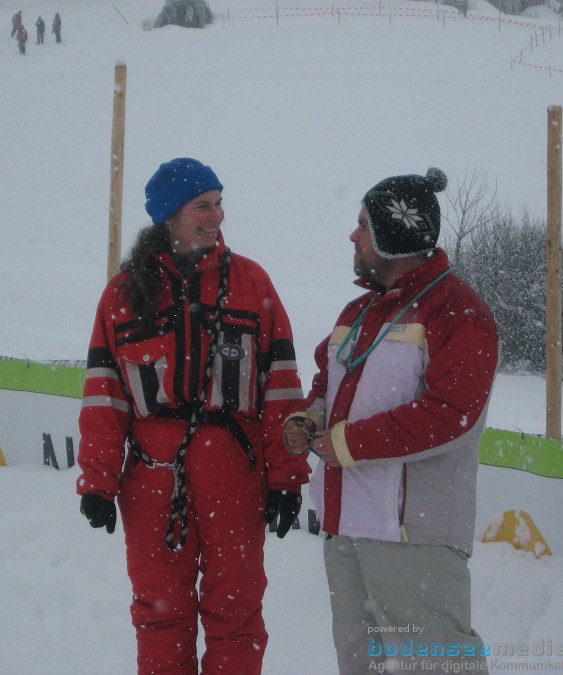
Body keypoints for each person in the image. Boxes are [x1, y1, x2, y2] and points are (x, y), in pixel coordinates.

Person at [77, 158, 310, 674]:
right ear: (169, 217)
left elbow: (281, 392)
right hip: (152, 477)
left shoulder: (252, 282)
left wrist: (287, 479)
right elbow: (104, 397)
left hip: (235, 471)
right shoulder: (121, 295)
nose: (216, 216)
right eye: (202, 206)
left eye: (219, 203)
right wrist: (98, 481)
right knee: (160, 616)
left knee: (237, 615)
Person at [282, 168, 499, 674]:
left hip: (412, 533)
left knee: (437, 663)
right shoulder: (358, 312)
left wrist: (350, 443)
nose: (353, 236)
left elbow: (453, 415)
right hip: (346, 524)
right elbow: (328, 387)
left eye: (363, 224)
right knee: (362, 663)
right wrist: (308, 418)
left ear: (393, 234)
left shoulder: (458, 311)